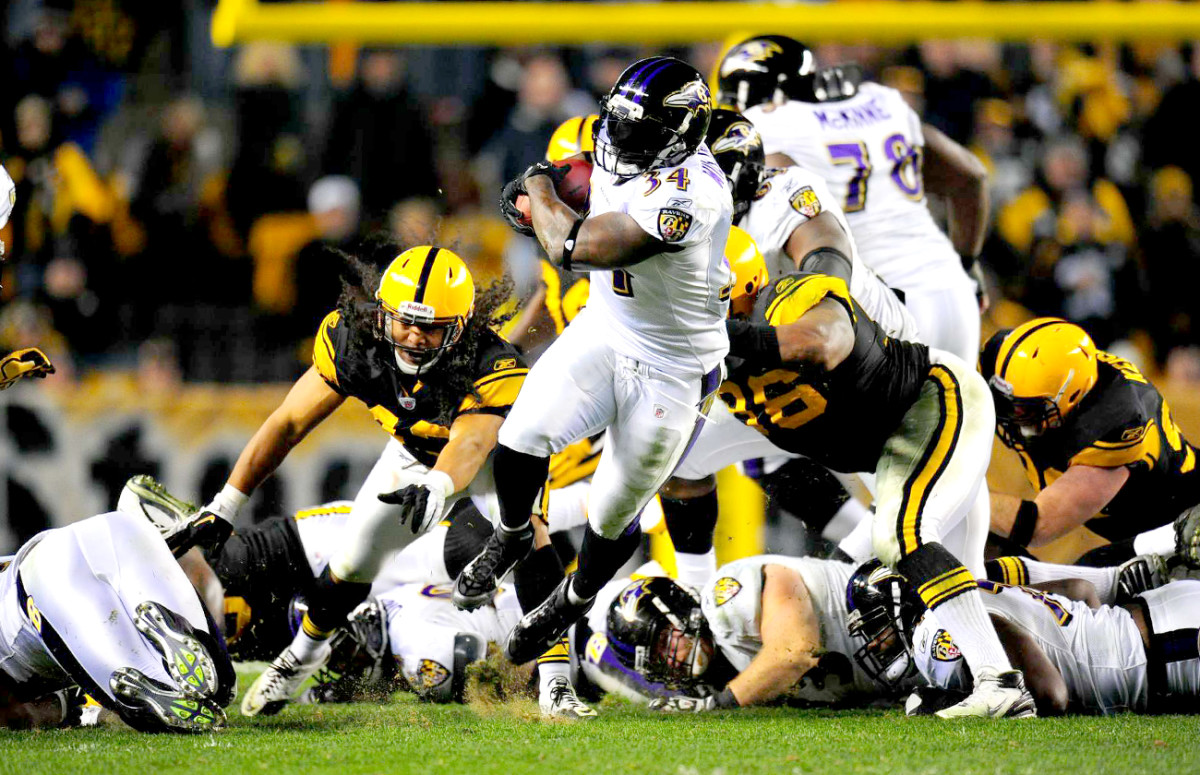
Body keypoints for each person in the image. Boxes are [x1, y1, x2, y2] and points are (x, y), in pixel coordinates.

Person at [173, 245, 582, 717]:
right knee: (353, 560)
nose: (413, 336)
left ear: (461, 327)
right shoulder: (354, 340)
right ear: (384, 312)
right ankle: (301, 656)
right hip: (416, 455)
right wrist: (225, 504)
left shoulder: (492, 364)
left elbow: (471, 445)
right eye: (405, 321)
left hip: (498, 458)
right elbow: (287, 423)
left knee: (528, 532)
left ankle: (555, 682)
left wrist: (438, 486)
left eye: (430, 327)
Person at [455, 57, 732, 676]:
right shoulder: (617, 138)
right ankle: (511, 534)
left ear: (683, 133)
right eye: (620, 126)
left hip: (673, 367)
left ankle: (571, 600)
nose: (622, 142)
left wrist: (536, 188)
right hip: (605, 330)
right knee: (521, 436)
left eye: (641, 133)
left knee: (612, 512)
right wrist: (538, 191)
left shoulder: (696, 191)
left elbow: (573, 247)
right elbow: (568, 181)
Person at [711, 256, 1037, 717]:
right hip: (898, 454)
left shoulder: (788, 299)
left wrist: (716, 334)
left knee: (905, 536)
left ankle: (1002, 683)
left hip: (933, 399)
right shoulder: (718, 366)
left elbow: (824, 340)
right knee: (914, 569)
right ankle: (981, 679)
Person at [722, 35, 990, 363]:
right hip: (953, 293)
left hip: (881, 310)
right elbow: (970, 177)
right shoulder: (879, 99)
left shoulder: (767, 124)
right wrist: (967, 262)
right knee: (962, 409)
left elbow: (783, 203)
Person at [0, 482, 234, 732]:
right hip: (115, 530)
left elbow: (15, 712)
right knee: (219, 688)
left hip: (43, 584)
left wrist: (65, 710)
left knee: (155, 692)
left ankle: (152, 676)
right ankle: (168, 625)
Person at [849, 560, 1200, 715]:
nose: (877, 643)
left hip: (1172, 647)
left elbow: (1051, 696)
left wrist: (938, 706)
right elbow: (1079, 589)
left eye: (875, 626)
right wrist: (1091, 638)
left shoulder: (933, 635)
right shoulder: (960, 594)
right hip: (1161, 616)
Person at [980, 318, 1200, 565]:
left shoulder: (1113, 425)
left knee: (1093, 575)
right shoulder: (1011, 365)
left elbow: (1036, 525)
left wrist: (949, 493)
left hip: (1185, 525)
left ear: (1069, 398)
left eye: (1024, 410)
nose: (1010, 417)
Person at [605, 556, 918, 712]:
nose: (669, 661)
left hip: (921, 623)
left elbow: (795, 652)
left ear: (679, 606)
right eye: (657, 661)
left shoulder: (724, 596)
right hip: (901, 677)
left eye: (663, 642)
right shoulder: (718, 675)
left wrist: (718, 705)